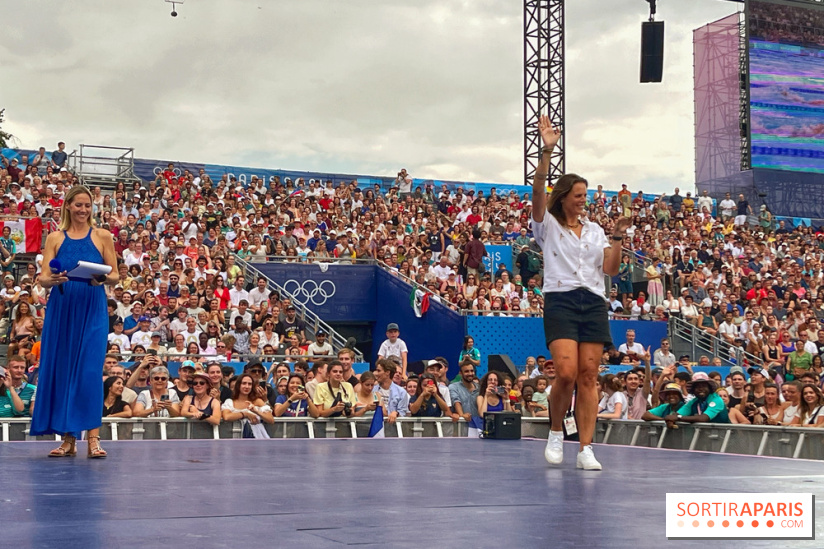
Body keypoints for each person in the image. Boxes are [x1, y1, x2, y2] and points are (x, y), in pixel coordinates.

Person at [531, 116, 629, 470]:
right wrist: (547, 151)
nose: (583, 201)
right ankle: (556, 431)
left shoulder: (595, 230)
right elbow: (538, 191)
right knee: (567, 372)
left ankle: (586, 447)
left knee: (590, 375)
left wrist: (617, 236)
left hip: (594, 300)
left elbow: (611, 269)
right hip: (561, 298)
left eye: (585, 196)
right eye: (578, 196)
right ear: (565, 197)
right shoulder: (547, 225)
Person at [30, 185, 119, 459]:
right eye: (78, 204)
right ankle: (69, 439)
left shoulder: (103, 236)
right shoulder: (55, 237)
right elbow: (43, 277)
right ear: (68, 205)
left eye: (87, 205)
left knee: (90, 372)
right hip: (62, 306)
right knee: (65, 371)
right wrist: (51, 280)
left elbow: (115, 274)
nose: (83, 209)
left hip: (92, 307)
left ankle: (93, 438)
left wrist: (101, 278)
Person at [663, 372, 730, 427]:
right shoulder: (693, 401)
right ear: (693, 390)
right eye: (697, 387)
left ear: (709, 388)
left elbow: (704, 418)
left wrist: (678, 418)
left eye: (703, 386)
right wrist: (670, 420)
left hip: (724, 437)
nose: (701, 389)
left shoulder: (717, 399)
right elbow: (676, 414)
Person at [221, 373, 274, 438]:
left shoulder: (257, 401)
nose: (247, 386)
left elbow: (271, 420)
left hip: (257, 438)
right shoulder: (230, 402)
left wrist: (256, 411)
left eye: (249, 384)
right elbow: (226, 417)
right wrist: (245, 414)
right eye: (244, 383)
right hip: (235, 439)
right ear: (238, 385)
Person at [449, 362, 481, 437]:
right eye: (466, 371)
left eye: (472, 371)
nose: (470, 373)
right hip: (460, 428)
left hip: (477, 428)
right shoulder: (453, 387)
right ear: (460, 373)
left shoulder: (480, 388)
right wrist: (462, 415)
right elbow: (456, 401)